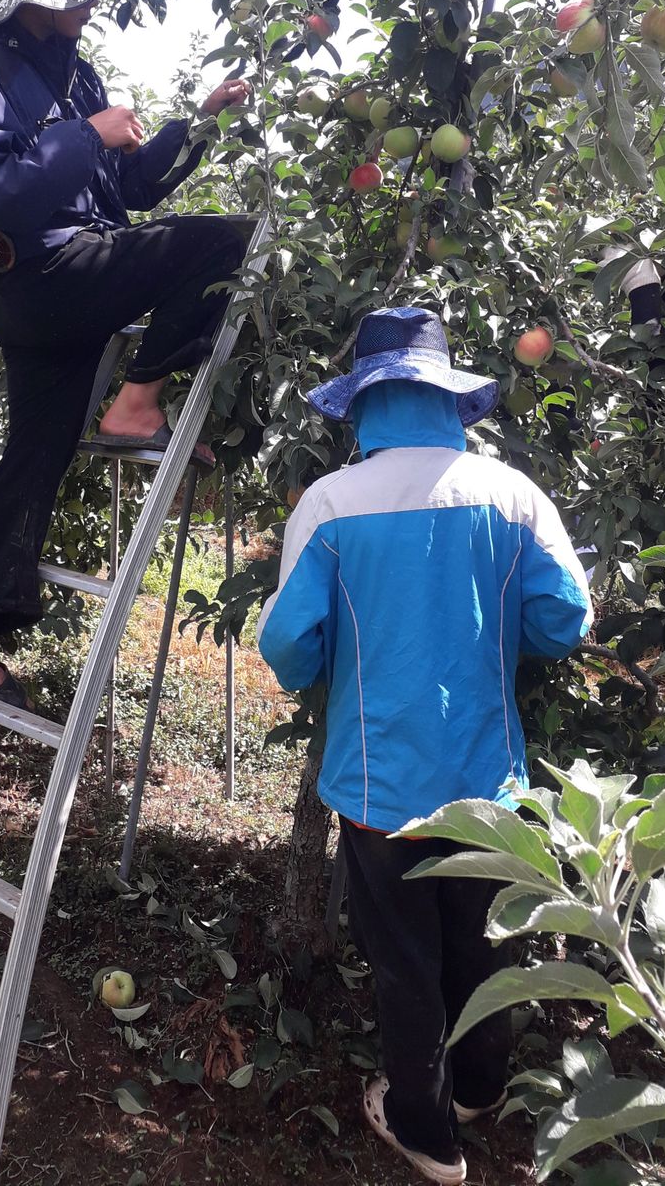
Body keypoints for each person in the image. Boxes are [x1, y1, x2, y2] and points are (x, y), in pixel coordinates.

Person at [257, 307, 593, 1185]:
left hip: (380, 779)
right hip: (486, 775)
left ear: (365, 403)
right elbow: (566, 619)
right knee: (482, 944)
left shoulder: (332, 503)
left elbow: (289, 645)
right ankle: (480, 1087)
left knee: (404, 960)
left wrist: (339, 659)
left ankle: (427, 1131)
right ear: (447, 399)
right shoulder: (513, 493)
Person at [0, 0, 248, 710]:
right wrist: (87, 133)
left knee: (32, 456)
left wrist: (195, 124)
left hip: (64, 286)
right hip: (42, 278)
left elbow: (127, 190)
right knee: (228, 240)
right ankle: (139, 403)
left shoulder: (70, 69)